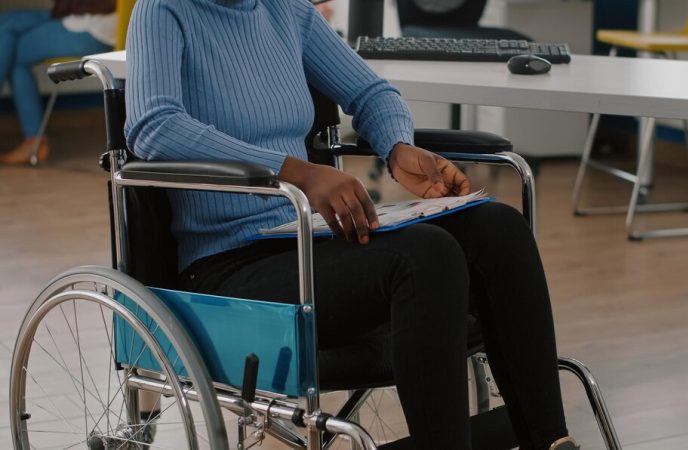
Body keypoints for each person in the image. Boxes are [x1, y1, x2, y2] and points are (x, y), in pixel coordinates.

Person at [125, 0, 578, 449]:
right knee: (425, 256)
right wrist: (298, 171)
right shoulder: (163, 10)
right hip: (227, 264)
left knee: (498, 227)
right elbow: (154, 127)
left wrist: (397, 147)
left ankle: (550, 441)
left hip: (305, 239)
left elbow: (371, 93)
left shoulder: (286, 10)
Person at [0, 0, 116, 164]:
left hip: (93, 24)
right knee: (6, 25)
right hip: (90, 17)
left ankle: (34, 140)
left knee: (14, 49)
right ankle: (34, 140)